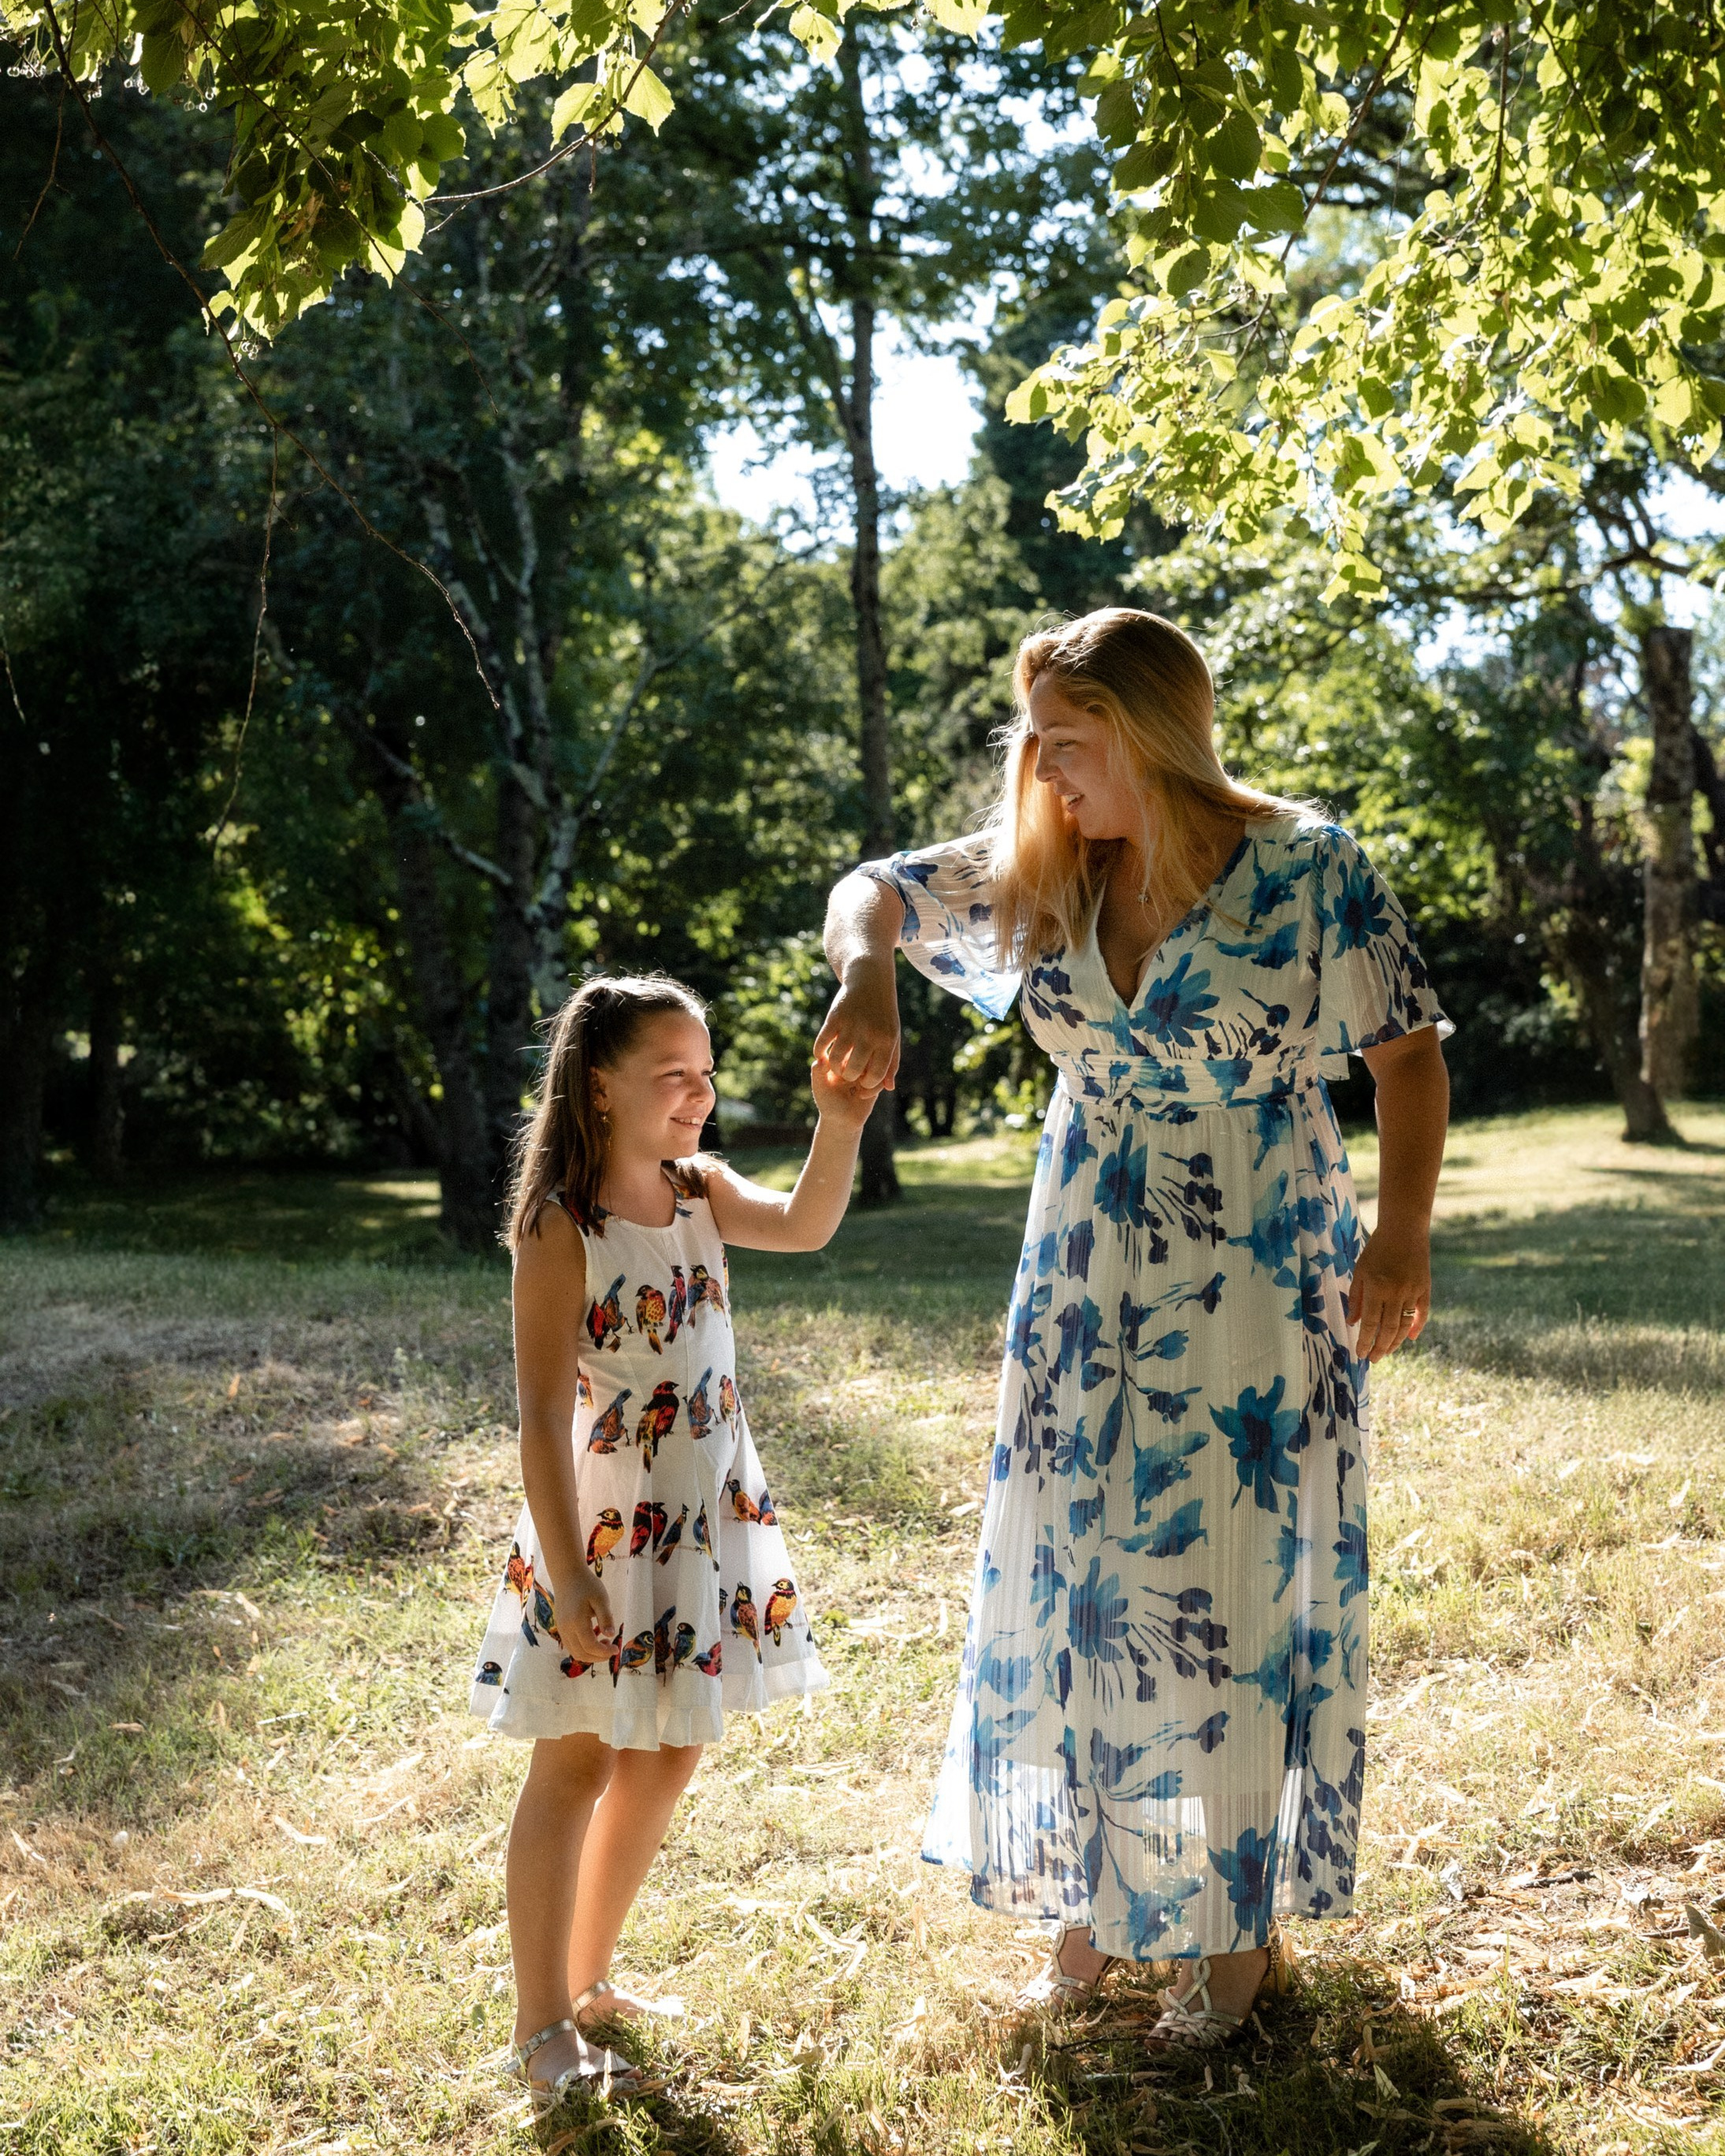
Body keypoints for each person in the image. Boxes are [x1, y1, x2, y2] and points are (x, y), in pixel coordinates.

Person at [817, 609, 1451, 2049]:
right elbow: (873, 891)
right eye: (1032, 747)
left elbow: (1405, 1051)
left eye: (1068, 745)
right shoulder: (1052, 867)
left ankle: (1232, 1926)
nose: (1043, 776)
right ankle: (1091, 1903)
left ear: (1148, 735)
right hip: (1081, 1263)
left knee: (1226, 1575)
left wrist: (1399, 1237)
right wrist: (866, 974)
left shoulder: (1307, 865)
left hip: (1255, 1256)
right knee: (1075, 1561)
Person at [469, 973, 882, 2108]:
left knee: (671, 1748)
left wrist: (838, 1120)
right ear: (601, 1088)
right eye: (673, 1077)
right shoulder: (563, 1227)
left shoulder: (696, 1189)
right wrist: (566, 1572)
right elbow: (542, 1418)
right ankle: (539, 2021)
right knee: (579, 1756)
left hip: (704, 1519)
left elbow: (804, 1225)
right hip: (607, 1527)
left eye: (706, 1074)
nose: (699, 1096)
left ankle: (591, 1979)